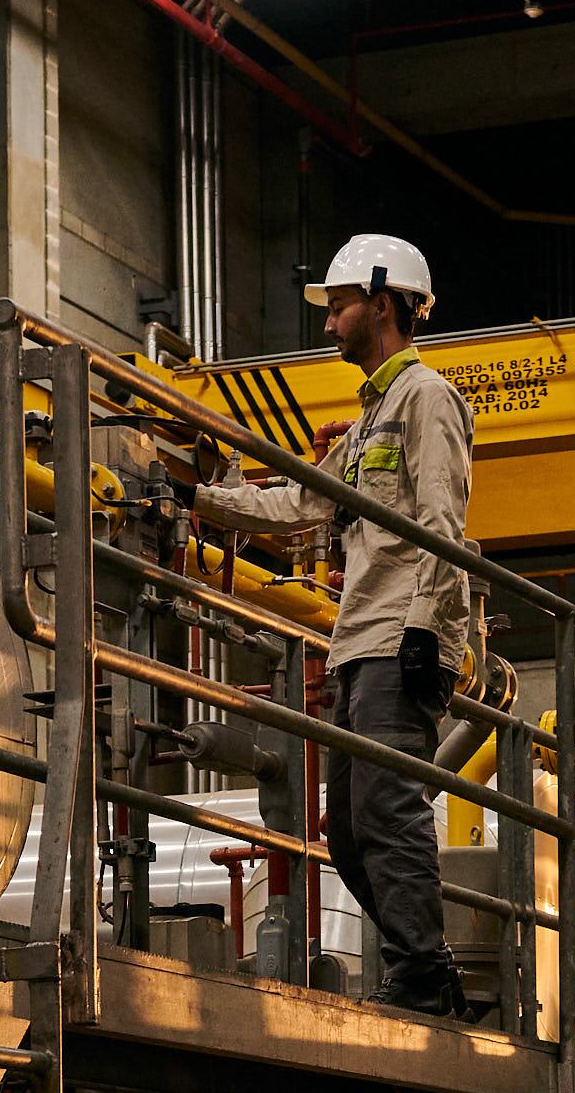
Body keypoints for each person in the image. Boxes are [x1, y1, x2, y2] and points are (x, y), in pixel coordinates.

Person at [196, 232, 479, 1020]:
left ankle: (419, 975)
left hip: (400, 641)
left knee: (388, 813)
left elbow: (440, 523)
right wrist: (201, 499)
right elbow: (301, 505)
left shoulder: (426, 399)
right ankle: (432, 967)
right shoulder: (366, 423)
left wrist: (428, 628)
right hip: (357, 647)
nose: (328, 325)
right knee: (346, 830)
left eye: (339, 306)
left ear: (382, 305)